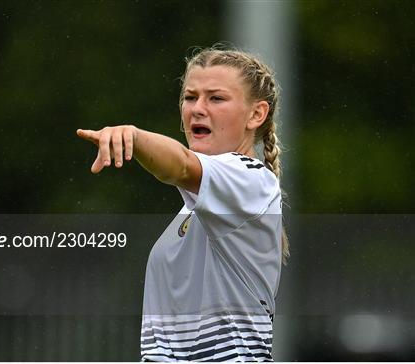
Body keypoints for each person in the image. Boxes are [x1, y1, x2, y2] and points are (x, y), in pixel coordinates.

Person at [77, 46, 289, 362]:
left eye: (216, 98)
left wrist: (134, 137)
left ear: (256, 114)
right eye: (190, 98)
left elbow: (181, 166)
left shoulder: (252, 181)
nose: (197, 109)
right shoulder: (195, 208)